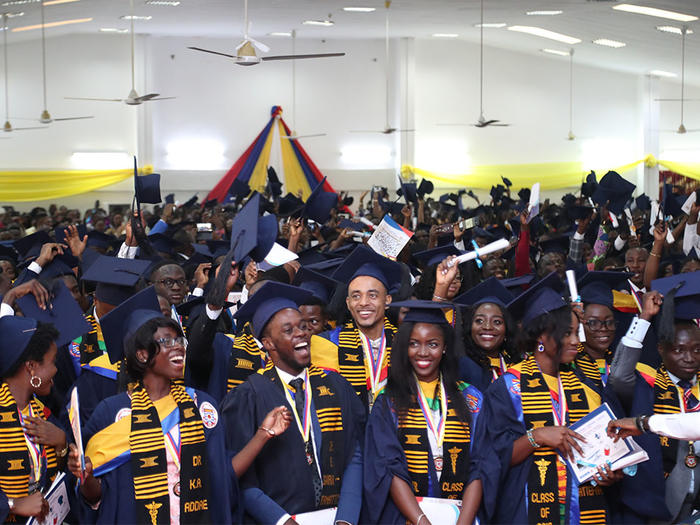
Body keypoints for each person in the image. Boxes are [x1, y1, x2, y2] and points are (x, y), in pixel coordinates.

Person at [476, 274, 621, 524]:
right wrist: (538, 436)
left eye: (577, 332)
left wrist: (613, 473)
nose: (576, 341)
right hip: (526, 507)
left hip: (584, 507)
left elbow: (611, 451)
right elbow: (491, 459)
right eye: (567, 333)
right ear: (542, 336)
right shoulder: (507, 388)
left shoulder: (589, 387)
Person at [68, 307, 234, 524]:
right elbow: (96, 497)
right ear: (142, 355)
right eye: (167, 342)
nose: (178, 348)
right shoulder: (110, 412)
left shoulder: (201, 406)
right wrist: (86, 477)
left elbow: (220, 479)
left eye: (179, 341)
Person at [221, 282, 365, 524]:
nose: (301, 333)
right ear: (268, 344)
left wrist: (346, 517)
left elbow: (356, 453)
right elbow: (241, 476)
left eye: (303, 326)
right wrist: (281, 520)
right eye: (288, 330)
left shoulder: (335, 385)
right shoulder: (248, 397)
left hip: (337, 517)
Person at [363, 300, 482, 525]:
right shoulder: (388, 400)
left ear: (445, 347)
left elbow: (481, 465)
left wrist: (463, 521)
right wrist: (420, 520)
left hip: (462, 516)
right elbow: (389, 467)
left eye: (433, 344)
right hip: (408, 518)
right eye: (414, 344)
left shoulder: (472, 399)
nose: (423, 352)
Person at [607, 272, 700, 523]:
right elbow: (618, 375)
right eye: (679, 350)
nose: (689, 358)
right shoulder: (645, 385)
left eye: (696, 350)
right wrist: (644, 318)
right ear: (661, 349)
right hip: (653, 507)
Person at [315, 245, 402, 410]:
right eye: (356, 296)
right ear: (348, 303)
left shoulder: (405, 343)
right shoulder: (327, 344)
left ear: (388, 300)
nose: (363, 303)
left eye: (373, 295)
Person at [0, 316, 66, 523]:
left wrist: (61, 444)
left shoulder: (41, 412)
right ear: (31, 367)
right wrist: (12, 504)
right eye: (52, 361)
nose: (56, 369)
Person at [453, 277, 519, 392]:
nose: (487, 327)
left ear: (507, 327)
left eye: (497, 322)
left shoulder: (516, 363)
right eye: (479, 321)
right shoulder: (463, 366)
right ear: (469, 326)